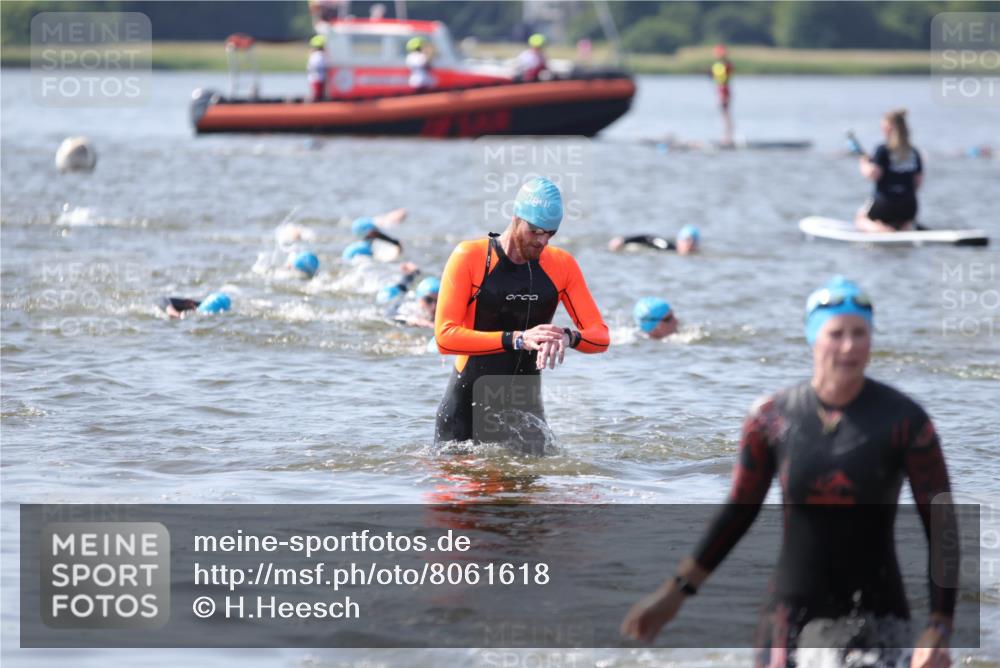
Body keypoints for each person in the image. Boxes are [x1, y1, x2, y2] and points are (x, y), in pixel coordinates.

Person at [621, 276, 957, 668]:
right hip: (788, 617)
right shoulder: (772, 418)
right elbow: (738, 511)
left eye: (860, 333)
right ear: (813, 338)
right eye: (836, 333)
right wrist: (676, 591)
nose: (849, 346)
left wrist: (940, 625)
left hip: (879, 618)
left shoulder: (904, 421)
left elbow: (942, 525)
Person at [434, 177, 609, 453]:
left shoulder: (562, 265)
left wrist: (568, 337)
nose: (542, 241)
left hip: (526, 418)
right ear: (516, 217)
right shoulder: (471, 257)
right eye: (535, 231)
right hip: (466, 412)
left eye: (550, 233)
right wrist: (517, 339)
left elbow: (601, 337)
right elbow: (445, 337)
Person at [855, 109, 924, 233]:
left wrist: (863, 162)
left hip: (884, 204)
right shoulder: (914, 152)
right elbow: (918, 183)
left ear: (888, 128)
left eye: (883, 127)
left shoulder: (882, 150)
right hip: (909, 206)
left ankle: (883, 231)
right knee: (904, 218)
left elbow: (873, 174)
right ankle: (903, 227)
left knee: (860, 218)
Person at [378, 263, 439, 328]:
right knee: (402, 287)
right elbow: (388, 315)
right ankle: (413, 272)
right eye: (428, 300)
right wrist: (412, 320)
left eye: (438, 301)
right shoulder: (410, 309)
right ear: (419, 298)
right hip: (393, 295)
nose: (434, 306)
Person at [608, 225, 700, 255]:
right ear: (679, 240)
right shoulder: (666, 246)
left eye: (693, 241)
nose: (690, 244)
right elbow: (647, 238)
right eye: (687, 240)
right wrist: (624, 240)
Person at [711, 44, 734, 146]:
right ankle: (727, 137)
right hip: (722, 90)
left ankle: (727, 138)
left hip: (723, 91)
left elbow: (722, 77)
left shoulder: (724, 65)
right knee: (724, 114)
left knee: (725, 114)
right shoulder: (723, 64)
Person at [156, 291, 231, 319]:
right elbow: (161, 300)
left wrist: (176, 314)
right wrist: (175, 313)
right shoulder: (195, 305)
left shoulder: (199, 309)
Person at [307, 35, 329, 102]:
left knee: (316, 96)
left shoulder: (314, 55)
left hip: (315, 79)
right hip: (319, 79)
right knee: (318, 96)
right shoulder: (320, 55)